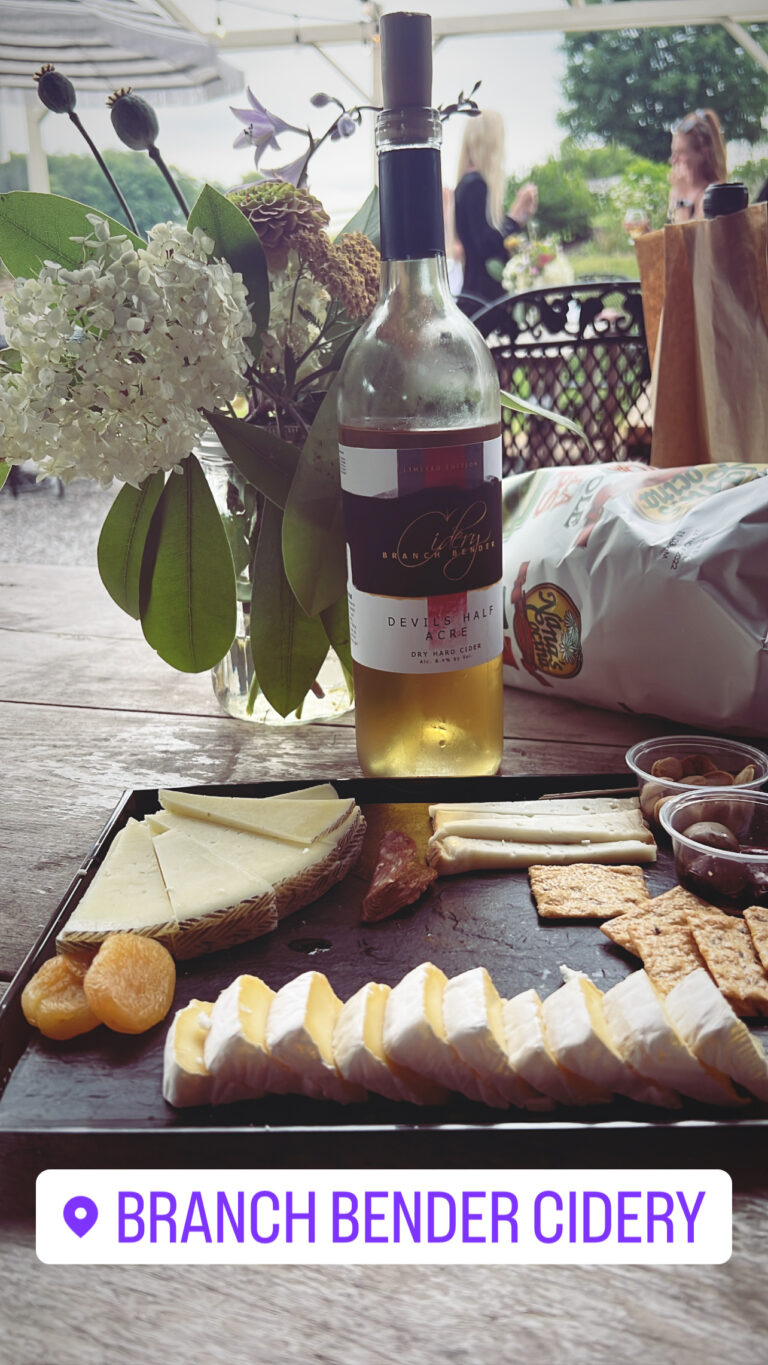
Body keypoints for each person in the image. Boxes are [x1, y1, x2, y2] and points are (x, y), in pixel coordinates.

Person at [453, 110, 537, 312]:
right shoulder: (476, 185)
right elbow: (487, 246)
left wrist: (520, 218)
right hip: (484, 301)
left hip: (477, 297)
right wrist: (516, 214)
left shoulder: (467, 183)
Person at [668, 109, 727, 223]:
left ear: (703, 154)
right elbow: (671, 238)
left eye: (681, 152)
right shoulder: (678, 190)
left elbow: (688, 239)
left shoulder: (713, 196)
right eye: (673, 152)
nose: (673, 160)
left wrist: (681, 201)